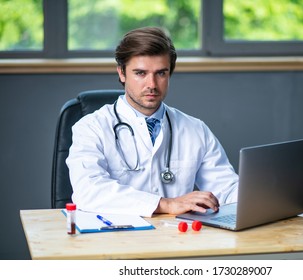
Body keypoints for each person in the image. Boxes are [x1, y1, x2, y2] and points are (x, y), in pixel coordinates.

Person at [66, 27, 238, 217]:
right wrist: (165, 204)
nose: (152, 85)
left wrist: (260, 198)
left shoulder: (195, 129)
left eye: (161, 73)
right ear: (122, 73)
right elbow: (88, 191)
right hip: (115, 239)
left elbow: (227, 189)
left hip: (177, 240)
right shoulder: (91, 128)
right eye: (140, 73)